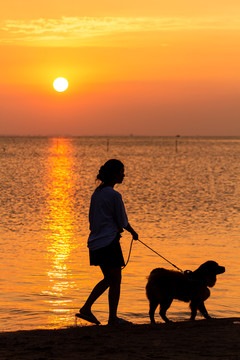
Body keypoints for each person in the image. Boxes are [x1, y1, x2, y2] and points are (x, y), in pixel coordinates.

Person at [76, 159, 138, 325]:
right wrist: (133, 232)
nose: (123, 175)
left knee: (110, 279)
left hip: (95, 242)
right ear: (113, 174)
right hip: (108, 242)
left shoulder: (97, 192)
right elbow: (122, 221)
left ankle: (87, 309)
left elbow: (96, 218)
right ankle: (111, 318)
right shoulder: (114, 195)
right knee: (115, 280)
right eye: (121, 172)